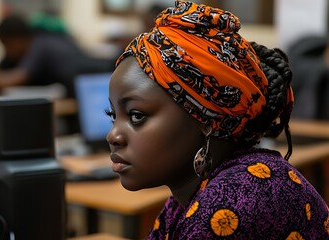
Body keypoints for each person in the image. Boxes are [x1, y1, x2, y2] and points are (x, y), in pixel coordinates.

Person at [105, 1, 329, 239]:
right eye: (112, 116)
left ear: (205, 117)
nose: (113, 135)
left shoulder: (232, 201)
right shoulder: (191, 198)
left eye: (136, 116)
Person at [0, 13, 82, 98]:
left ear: (20, 40)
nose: (6, 51)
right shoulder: (18, 52)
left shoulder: (39, 44)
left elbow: (13, 79)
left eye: (7, 45)